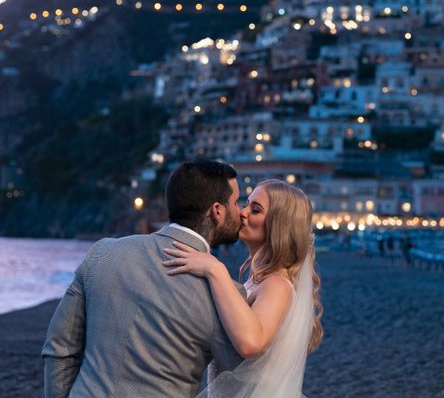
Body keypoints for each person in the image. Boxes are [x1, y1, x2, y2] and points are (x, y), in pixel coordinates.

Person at [42, 160, 244, 397]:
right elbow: (240, 379)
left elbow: (60, 349)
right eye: (236, 202)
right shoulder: (226, 295)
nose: (241, 211)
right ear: (217, 211)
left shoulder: (102, 253)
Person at [163, 179, 323, 397]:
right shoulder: (259, 280)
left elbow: (250, 343)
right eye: (246, 204)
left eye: (255, 210)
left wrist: (214, 269)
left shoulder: (276, 285)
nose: (243, 213)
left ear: (279, 225)